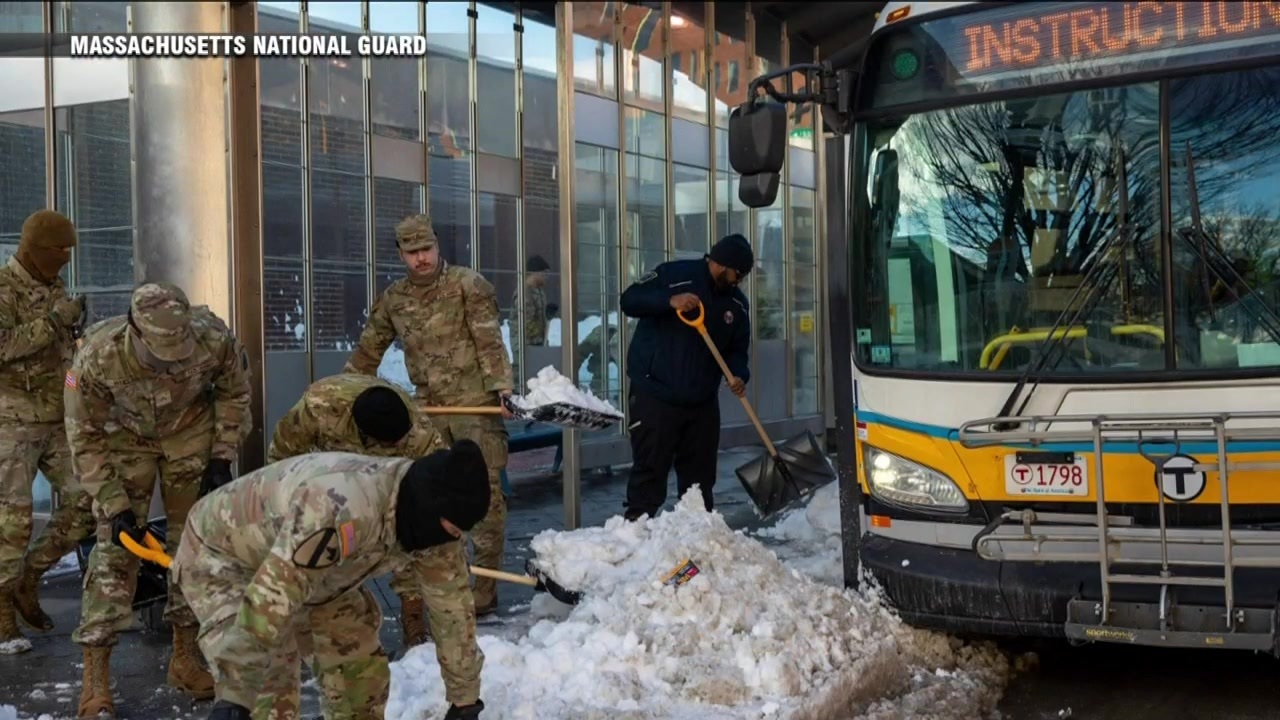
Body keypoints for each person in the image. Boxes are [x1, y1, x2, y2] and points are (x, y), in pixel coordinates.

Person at [171, 444, 490, 720]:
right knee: (268, 695)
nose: (454, 539)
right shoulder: (341, 507)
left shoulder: (438, 527)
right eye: (452, 530)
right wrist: (236, 695)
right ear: (429, 508)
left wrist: (465, 699)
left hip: (315, 571)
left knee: (359, 680)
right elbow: (274, 594)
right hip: (226, 560)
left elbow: (452, 608)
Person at [66, 281, 253, 717]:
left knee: (193, 546)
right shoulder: (97, 356)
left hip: (189, 433)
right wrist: (113, 503)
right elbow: (83, 436)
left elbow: (235, 392)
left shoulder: (213, 337)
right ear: (134, 330)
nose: (170, 359)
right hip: (123, 437)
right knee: (115, 550)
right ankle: (95, 677)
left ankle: (184, 658)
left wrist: (222, 456)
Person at [344, 214, 513, 616]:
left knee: (485, 500)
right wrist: (343, 392)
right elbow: (368, 352)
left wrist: (502, 388)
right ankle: (431, 592)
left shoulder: (467, 285)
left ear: (437, 247)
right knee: (426, 500)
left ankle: (485, 591)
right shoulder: (394, 299)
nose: (421, 259)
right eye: (412, 252)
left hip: (474, 408)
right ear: (401, 254)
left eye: (426, 249)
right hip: (430, 412)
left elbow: (489, 342)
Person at [266, 371, 448, 647]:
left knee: (412, 528)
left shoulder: (418, 432)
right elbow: (281, 458)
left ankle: (413, 612)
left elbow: (439, 482)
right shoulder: (319, 408)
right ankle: (330, 613)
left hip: (390, 479)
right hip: (329, 471)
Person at [0, 209, 95, 652]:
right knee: (11, 524)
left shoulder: (52, 287)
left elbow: (59, 354)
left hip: (57, 419)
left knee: (90, 498)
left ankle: (29, 577)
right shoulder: (3, 289)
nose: (65, 260)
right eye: (59, 251)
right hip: (11, 423)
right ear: (36, 249)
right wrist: (55, 321)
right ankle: (2, 614)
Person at [618, 233, 753, 521]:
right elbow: (629, 300)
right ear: (720, 265)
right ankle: (635, 531)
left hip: (701, 401)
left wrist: (738, 374)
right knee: (650, 469)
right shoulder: (673, 275)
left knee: (699, 479)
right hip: (654, 393)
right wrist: (669, 300)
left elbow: (738, 350)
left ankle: (698, 534)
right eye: (737, 274)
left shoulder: (737, 305)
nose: (738, 281)